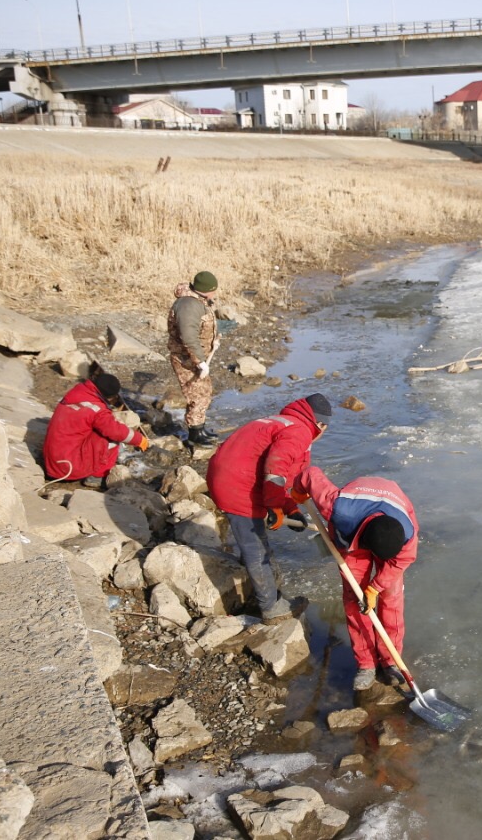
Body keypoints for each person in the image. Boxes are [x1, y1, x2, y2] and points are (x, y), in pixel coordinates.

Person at [205, 393, 334, 624]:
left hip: (226, 476)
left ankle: (257, 583)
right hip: (236, 486)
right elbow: (276, 469)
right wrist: (274, 505)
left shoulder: (284, 421)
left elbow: (283, 473)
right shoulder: (300, 432)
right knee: (256, 548)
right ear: (321, 424)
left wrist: (290, 508)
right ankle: (271, 607)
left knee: (253, 538)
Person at [294, 466, 418, 691]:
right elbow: (309, 474)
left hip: (391, 508)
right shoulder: (338, 508)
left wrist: (376, 587)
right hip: (353, 529)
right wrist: (298, 491)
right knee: (356, 600)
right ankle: (366, 664)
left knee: (391, 597)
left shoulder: (407, 534)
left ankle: (390, 660)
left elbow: (401, 561)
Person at [42, 371, 149, 487]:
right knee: (110, 437)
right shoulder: (96, 410)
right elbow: (116, 431)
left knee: (100, 429)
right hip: (68, 467)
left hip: (53, 461)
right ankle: (98, 476)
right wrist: (139, 439)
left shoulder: (79, 392)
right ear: (108, 396)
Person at [168, 270, 221, 447]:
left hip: (195, 356)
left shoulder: (198, 300)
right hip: (186, 358)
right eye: (213, 290)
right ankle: (194, 434)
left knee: (204, 391)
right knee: (197, 394)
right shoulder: (188, 306)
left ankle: (200, 428)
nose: (215, 293)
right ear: (205, 290)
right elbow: (188, 336)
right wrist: (200, 362)